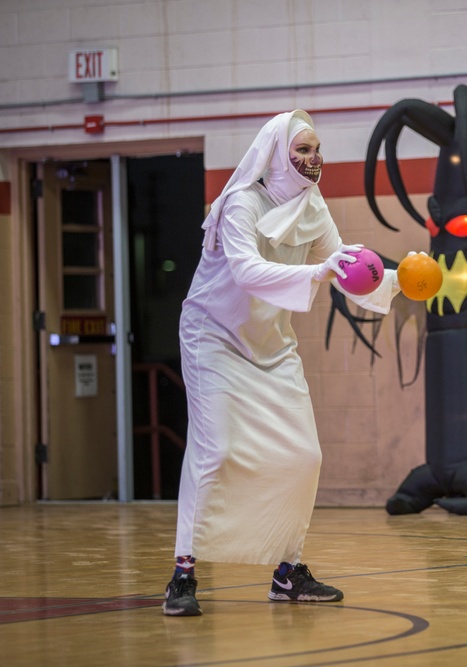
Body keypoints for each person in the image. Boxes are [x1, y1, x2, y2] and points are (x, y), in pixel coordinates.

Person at [163, 110, 400, 616]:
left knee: (303, 456)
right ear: (277, 154)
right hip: (214, 338)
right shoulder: (240, 204)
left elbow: (345, 268)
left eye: (316, 150)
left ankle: (287, 573)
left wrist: (407, 279)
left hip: (272, 344)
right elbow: (247, 271)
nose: (313, 160)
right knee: (218, 451)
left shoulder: (313, 205)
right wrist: (319, 269)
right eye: (303, 151)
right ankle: (183, 573)